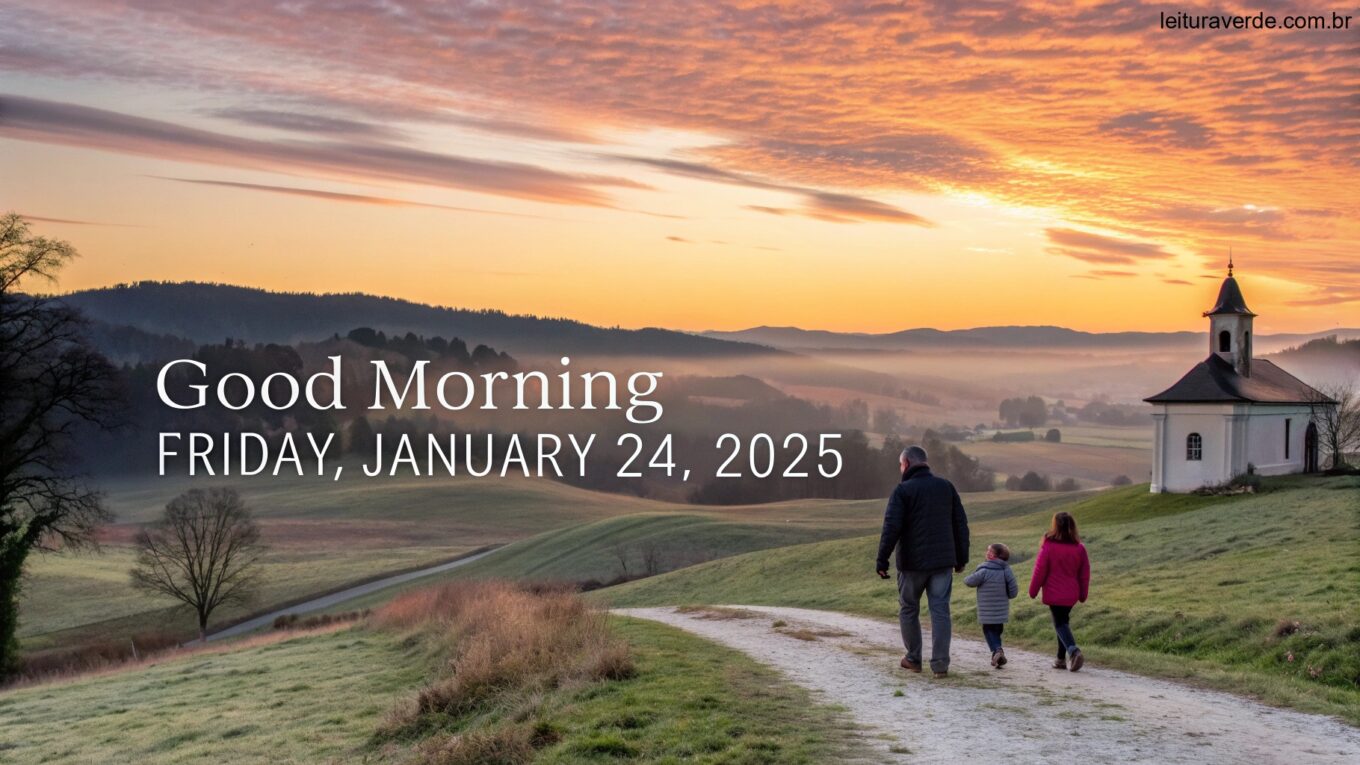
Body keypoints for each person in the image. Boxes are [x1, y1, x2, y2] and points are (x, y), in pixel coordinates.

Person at [875, 445, 970, 678]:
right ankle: (940, 665)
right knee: (940, 611)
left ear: (906, 463)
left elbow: (891, 528)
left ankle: (913, 658)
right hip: (942, 563)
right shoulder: (946, 487)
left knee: (908, 609)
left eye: (900, 465)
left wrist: (882, 560)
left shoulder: (903, 491)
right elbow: (960, 525)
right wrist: (961, 558)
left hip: (911, 564)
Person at [1028, 511, 1091, 672]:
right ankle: (1060, 659)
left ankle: (1074, 651)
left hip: (1054, 592)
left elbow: (1039, 570)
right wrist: (1083, 594)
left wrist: (1033, 590)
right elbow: (1084, 574)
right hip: (1071, 594)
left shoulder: (1049, 546)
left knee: (1060, 623)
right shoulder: (1080, 548)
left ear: (1055, 526)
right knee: (1063, 623)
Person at [964, 542, 1018, 668]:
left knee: (988, 630)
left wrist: (970, 574)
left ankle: (998, 651)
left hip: (986, 611)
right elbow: (1013, 591)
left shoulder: (984, 570)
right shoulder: (1006, 570)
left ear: (995, 556)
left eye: (990, 551)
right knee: (996, 632)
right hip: (1001, 611)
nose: (987, 553)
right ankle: (997, 656)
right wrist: (1007, 595)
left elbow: (969, 581)